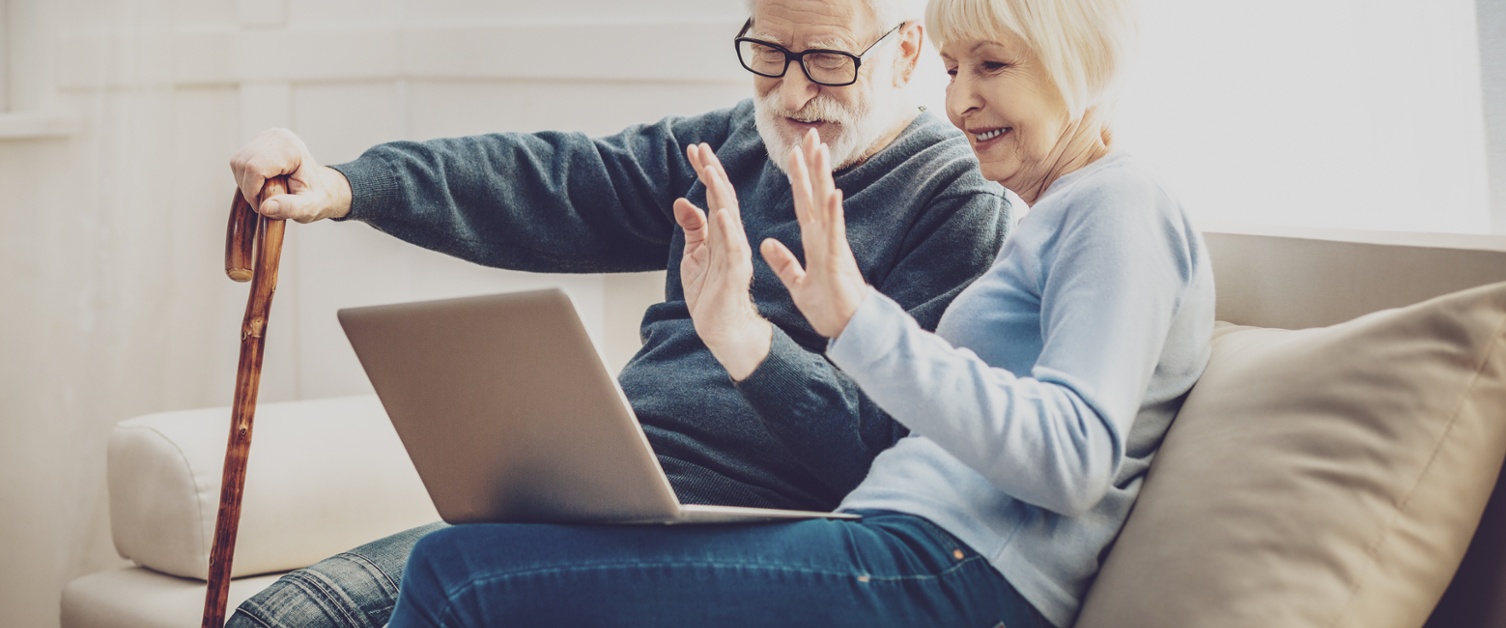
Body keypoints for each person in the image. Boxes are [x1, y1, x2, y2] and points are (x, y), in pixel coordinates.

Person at [384, 0, 1215, 625]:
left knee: (452, 576)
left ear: (1079, 66)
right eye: (956, 69)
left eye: (991, 68)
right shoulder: (1065, 215)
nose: (960, 100)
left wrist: (856, 319)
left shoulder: (1120, 205)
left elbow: (1075, 457)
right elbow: (565, 179)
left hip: (942, 566)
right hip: (895, 544)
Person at [223, 0, 1011, 625]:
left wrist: (749, 338)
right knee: (280, 617)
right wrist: (350, 185)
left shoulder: (957, 205)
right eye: (769, 54)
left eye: (828, 61)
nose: (795, 92)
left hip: (745, 535)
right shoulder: (737, 145)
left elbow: (891, 456)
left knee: (451, 594)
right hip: (607, 490)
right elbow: (555, 180)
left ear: (907, 51)